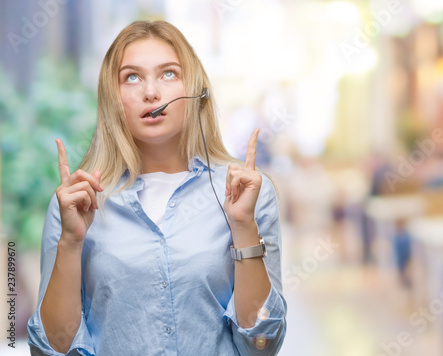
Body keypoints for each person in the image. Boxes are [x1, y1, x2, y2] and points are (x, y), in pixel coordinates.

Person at [27, 20, 287, 355]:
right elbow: (50, 350)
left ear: (197, 91)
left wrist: (243, 227)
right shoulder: (76, 202)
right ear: (113, 98)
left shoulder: (249, 194)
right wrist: (71, 244)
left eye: (168, 74)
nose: (151, 92)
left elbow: (262, 346)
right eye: (131, 77)